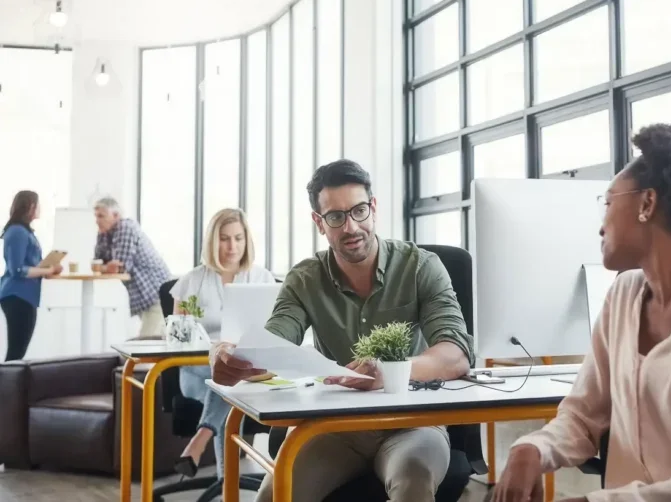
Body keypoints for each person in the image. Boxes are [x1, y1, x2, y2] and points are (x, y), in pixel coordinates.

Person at [493, 123, 671, 502]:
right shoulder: (623, 294)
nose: (600, 226)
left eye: (607, 202)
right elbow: (582, 416)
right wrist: (533, 449)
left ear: (646, 204)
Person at [210, 159, 473, 502]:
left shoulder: (421, 267)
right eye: (336, 217)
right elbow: (272, 346)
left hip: (414, 421)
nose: (351, 227)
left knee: (414, 481)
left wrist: (389, 372)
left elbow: (455, 354)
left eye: (359, 211)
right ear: (319, 223)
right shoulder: (305, 278)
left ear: (373, 208)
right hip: (336, 426)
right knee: (274, 495)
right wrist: (227, 354)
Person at [171, 208, 274, 479]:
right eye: (225, 239)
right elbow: (175, 338)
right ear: (212, 241)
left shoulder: (262, 278)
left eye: (238, 238)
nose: (232, 246)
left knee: (230, 377)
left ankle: (201, 440)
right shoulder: (190, 281)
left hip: (247, 372)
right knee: (225, 380)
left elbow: (273, 332)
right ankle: (228, 488)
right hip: (196, 373)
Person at [93, 196, 171, 337]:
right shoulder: (104, 234)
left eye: (101, 216)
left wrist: (104, 266)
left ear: (116, 215)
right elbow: (97, 262)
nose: (97, 220)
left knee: (148, 344)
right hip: (146, 298)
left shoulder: (125, 227)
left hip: (156, 293)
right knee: (155, 341)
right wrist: (105, 266)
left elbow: (121, 267)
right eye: (96, 216)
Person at [0, 191, 63, 361]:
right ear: (30, 206)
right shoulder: (17, 232)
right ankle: (7, 386)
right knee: (16, 350)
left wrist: (49, 268)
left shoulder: (25, 232)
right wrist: (46, 271)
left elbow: (30, 264)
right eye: (37, 204)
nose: (39, 208)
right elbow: (17, 270)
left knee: (18, 349)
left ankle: (9, 385)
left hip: (25, 297)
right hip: (17, 296)